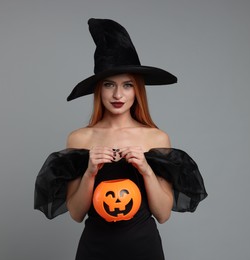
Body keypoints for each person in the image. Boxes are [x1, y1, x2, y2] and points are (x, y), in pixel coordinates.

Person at [34, 18, 207, 260]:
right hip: (95, 250)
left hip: (144, 249)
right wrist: (90, 171)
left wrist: (145, 169)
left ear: (137, 90)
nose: (118, 94)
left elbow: (163, 214)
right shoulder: (80, 138)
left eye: (127, 85)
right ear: (99, 90)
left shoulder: (156, 138)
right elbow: (75, 213)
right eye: (109, 85)